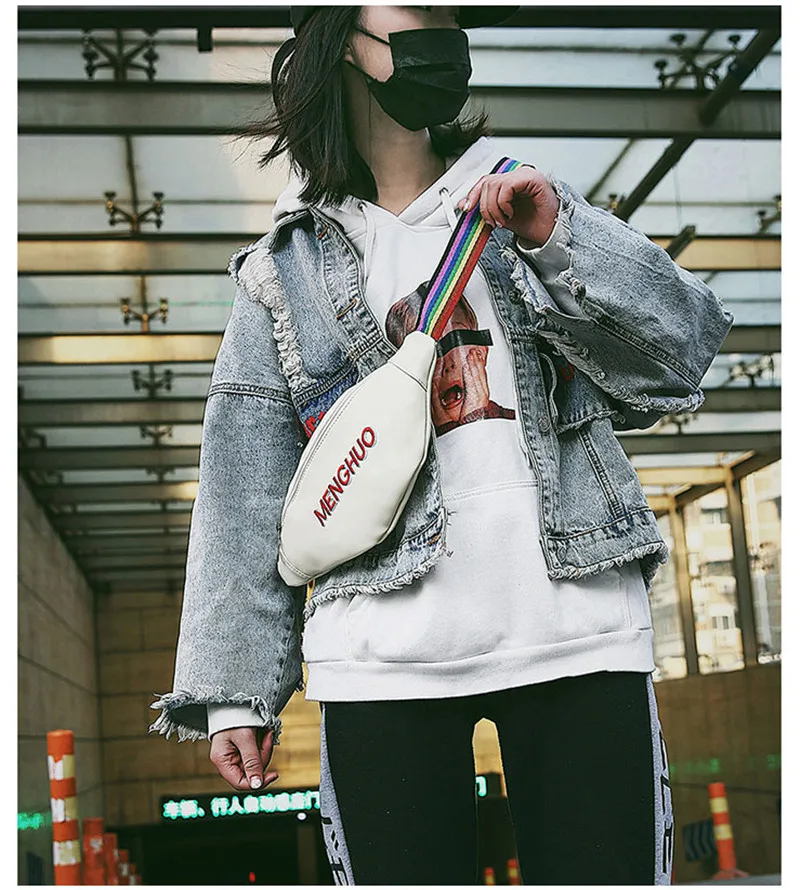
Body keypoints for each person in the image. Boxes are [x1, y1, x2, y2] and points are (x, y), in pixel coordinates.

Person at [149, 6, 735, 885]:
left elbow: (680, 354)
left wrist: (557, 239)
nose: (445, 33)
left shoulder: (526, 200)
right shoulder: (285, 268)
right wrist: (235, 690)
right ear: (342, 39)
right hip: (379, 658)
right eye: (418, 12)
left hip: (577, 630)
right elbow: (244, 486)